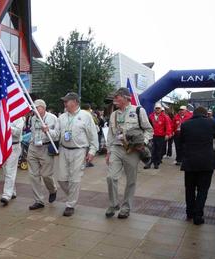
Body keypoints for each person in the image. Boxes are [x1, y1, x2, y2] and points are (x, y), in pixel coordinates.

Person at [105, 87, 153, 219]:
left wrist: (142, 142)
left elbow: (149, 130)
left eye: (117, 97)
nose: (114, 100)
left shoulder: (138, 110)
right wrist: (108, 151)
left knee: (131, 180)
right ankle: (113, 204)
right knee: (111, 177)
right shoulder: (114, 114)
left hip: (132, 150)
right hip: (116, 147)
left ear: (126, 98)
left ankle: (125, 208)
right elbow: (110, 134)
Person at [56, 92, 99, 216]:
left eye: (66, 101)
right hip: (64, 150)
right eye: (64, 101)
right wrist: (48, 130)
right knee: (61, 178)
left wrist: (92, 151)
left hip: (79, 150)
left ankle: (70, 205)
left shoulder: (86, 116)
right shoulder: (62, 117)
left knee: (75, 179)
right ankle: (72, 196)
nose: (64, 103)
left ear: (75, 102)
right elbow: (56, 134)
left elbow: (93, 135)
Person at [180, 106, 215, 225]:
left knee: (190, 189)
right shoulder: (211, 123)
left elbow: (182, 140)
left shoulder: (186, 124)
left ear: (193, 114)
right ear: (205, 114)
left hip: (190, 161)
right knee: (203, 190)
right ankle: (198, 215)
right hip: (206, 162)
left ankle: (189, 212)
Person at [27, 99, 58, 210]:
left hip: (46, 147)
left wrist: (48, 130)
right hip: (33, 147)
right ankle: (39, 200)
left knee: (46, 175)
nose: (34, 110)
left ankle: (52, 190)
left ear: (43, 108)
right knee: (33, 175)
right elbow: (32, 132)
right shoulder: (33, 118)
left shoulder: (52, 118)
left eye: (36, 107)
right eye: (33, 108)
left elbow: (57, 135)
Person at [0, 114, 25, 206]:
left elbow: (18, 132)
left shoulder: (19, 117)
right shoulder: (2, 115)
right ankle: (12, 191)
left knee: (10, 170)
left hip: (13, 146)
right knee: (5, 170)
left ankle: (6, 195)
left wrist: (6, 126)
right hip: (3, 146)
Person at [145, 103, 172, 169]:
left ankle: (156, 163)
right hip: (152, 135)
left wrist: (167, 134)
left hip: (161, 136)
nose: (157, 109)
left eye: (158, 108)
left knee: (158, 150)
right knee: (152, 149)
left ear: (161, 109)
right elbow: (147, 125)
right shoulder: (151, 116)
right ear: (154, 109)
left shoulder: (165, 117)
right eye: (156, 108)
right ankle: (150, 163)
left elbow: (168, 126)